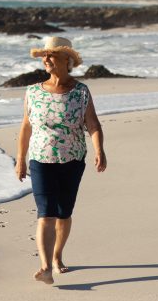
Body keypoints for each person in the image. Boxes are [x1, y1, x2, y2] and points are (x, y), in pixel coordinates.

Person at [14, 36, 107, 284]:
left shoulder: (80, 92)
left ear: (67, 60)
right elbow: (25, 127)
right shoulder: (32, 92)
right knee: (46, 213)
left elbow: (93, 124)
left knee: (64, 213)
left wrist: (99, 150)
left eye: (51, 55)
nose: (46, 59)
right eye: (44, 55)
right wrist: (20, 159)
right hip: (40, 160)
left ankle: (57, 257)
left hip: (73, 159)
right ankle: (45, 268)